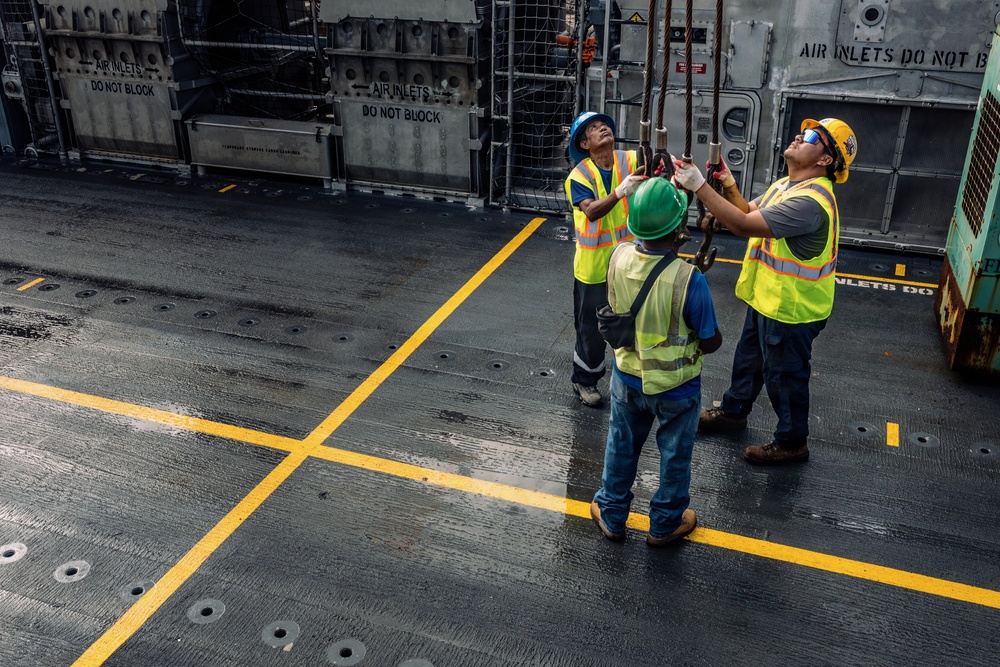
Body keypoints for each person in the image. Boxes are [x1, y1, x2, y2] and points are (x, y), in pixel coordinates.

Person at [672, 117, 858, 465]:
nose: (800, 136)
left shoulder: (809, 203)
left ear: (825, 160)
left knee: (784, 377)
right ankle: (733, 412)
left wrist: (699, 186)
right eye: (803, 131)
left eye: (813, 136)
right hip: (768, 300)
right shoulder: (788, 185)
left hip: (792, 310)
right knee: (748, 361)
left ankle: (791, 442)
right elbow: (746, 210)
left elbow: (742, 225)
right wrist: (727, 183)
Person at [590, 177, 722, 546]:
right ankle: (665, 524)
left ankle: (612, 514)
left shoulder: (617, 256)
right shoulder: (688, 279)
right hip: (677, 387)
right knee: (675, 456)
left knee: (621, 446)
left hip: (628, 377)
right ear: (679, 228)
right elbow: (710, 340)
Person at [563, 111, 648, 408]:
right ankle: (584, 381)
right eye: (594, 129)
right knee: (592, 330)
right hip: (594, 270)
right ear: (585, 144)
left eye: (604, 126)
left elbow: (658, 162)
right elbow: (592, 211)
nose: (603, 129)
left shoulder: (629, 159)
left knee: (633, 323)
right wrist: (620, 191)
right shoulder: (579, 176)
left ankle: (635, 379)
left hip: (630, 264)